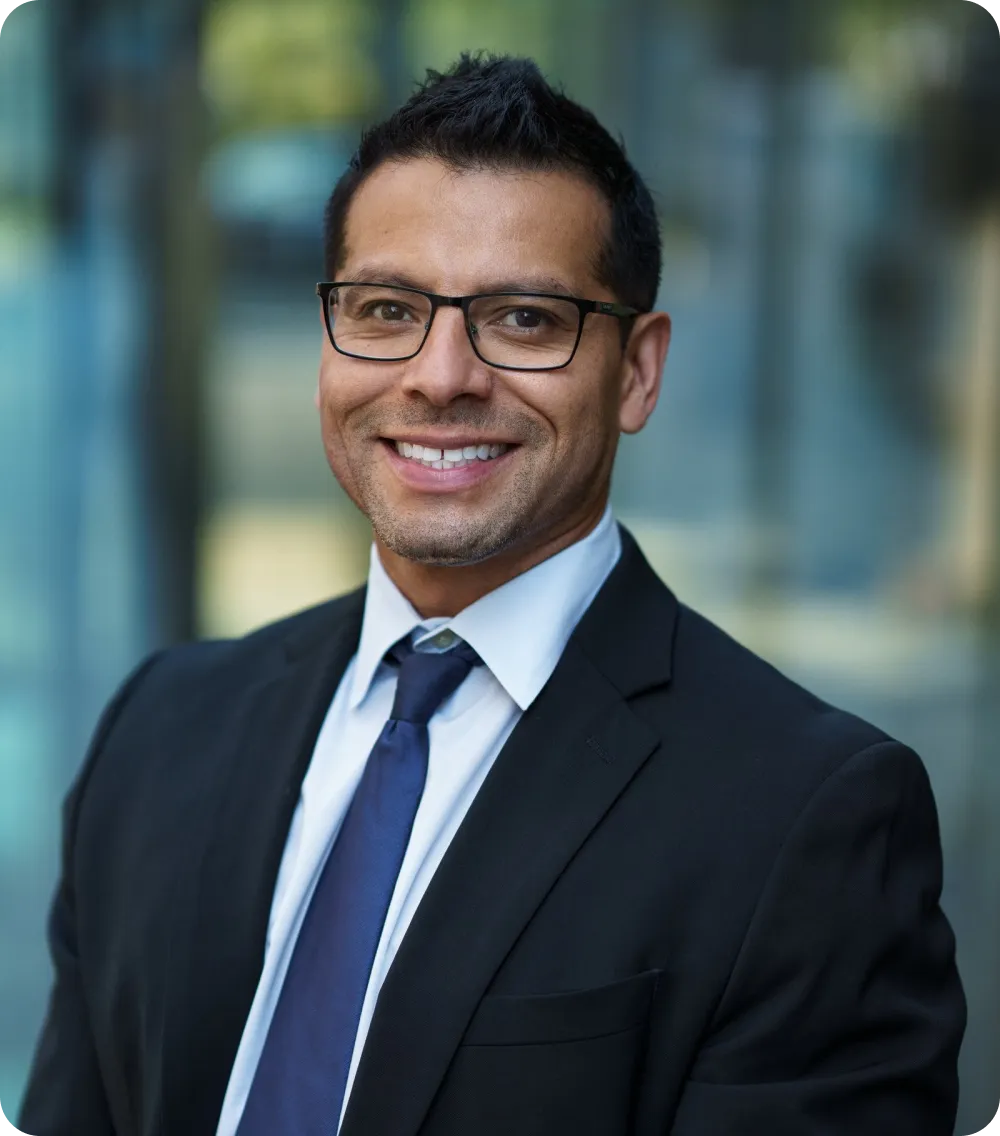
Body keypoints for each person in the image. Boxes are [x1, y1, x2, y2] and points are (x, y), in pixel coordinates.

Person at [19, 53, 964, 1136]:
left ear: (637, 370)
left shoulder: (808, 817)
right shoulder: (162, 729)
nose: (440, 376)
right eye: (386, 308)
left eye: (522, 319)